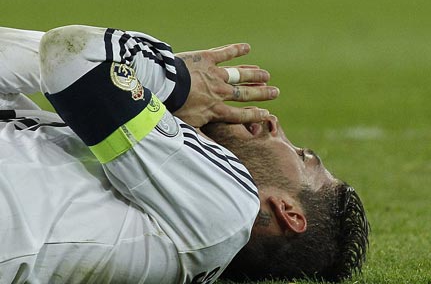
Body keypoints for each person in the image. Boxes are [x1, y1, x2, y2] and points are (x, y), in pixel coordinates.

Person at [0, 25, 369, 283]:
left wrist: (175, 80)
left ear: (287, 212)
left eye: (302, 156)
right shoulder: (120, 167)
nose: (275, 125)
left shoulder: (231, 211)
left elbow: (72, 52)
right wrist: (141, 85)